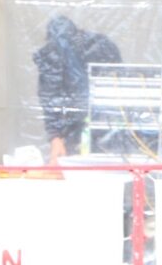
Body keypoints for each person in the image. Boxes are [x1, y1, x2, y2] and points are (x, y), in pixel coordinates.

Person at [32, 15, 121, 164]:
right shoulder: (100, 44)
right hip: (90, 121)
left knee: (93, 160)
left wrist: (56, 136)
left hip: (99, 118)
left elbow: (49, 97)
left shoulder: (98, 46)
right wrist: (56, 137)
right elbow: (50, 96)